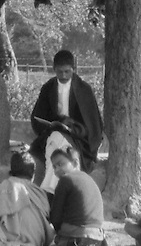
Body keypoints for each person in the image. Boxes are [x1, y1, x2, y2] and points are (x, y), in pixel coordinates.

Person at [30, 50, 103, 193]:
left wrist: (72, 127)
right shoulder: (48, 88)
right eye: (60, 72)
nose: (63, 76)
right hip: (52, 131)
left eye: (67, 72)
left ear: (73, 69)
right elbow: (38, 116)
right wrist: (56, 123)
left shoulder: (84, 89)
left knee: (59, 141)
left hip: (78, 137)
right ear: (54, 69)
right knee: (55, 139)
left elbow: (92, 123)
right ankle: (54, 188)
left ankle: (48, 189)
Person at [48, 148, 106, 246]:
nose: (57, 170)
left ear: (75, 162)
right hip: (98, 237)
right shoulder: (89, 179)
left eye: (60, 164)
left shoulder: (66, 180)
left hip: (76, 237)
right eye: (54, 167)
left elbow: (55, 217)